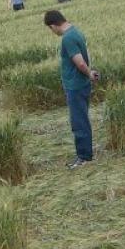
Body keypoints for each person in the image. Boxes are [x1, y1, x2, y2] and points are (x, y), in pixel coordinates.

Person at [44, 9, 98, 169]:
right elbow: (86, 55)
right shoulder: (76, 31)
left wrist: (88, 73)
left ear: (53, 25)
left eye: (51, 29)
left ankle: (84, 157)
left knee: (79, 122)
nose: (53, 32)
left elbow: (79, 62)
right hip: (80, 84)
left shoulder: (67, 38)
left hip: (75, 86)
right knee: (82, 119)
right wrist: (90, 72)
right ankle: (85, 153)